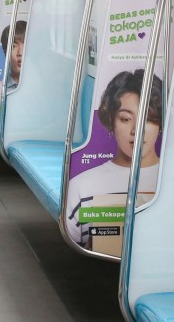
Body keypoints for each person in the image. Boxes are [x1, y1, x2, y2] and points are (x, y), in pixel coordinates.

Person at [65, 69, 162, 248]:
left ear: (160, 123)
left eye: (147, 119)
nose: (137, 129)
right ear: (111, 121)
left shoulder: (167, 180)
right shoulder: (83, 187)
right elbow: (70, 252)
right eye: (126, 119)